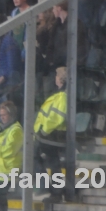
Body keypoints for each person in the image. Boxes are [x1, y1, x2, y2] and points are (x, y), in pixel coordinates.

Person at [34, 67, 67, 201]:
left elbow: (58, 117)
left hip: (52, 136)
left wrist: (43, 131)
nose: (55, 78)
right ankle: (51, 189)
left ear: (60, 79)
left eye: (56, 76)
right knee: (50, 162)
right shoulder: (59, 94)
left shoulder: (63, 96)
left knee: (52, 163)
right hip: (47, 135)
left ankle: (53, 190)